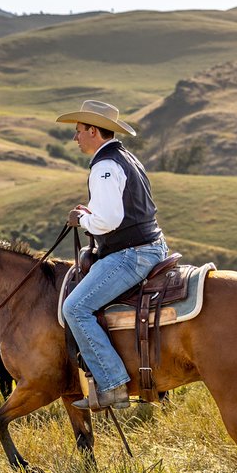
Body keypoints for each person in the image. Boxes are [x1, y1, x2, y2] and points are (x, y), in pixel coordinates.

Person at [56, 100, 169, 410]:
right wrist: (92, 213)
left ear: (93, 131)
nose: (76, 138)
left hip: (131, 254)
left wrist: (82, 220)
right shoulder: (126, 158)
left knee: (75, 308)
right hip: (151, 246)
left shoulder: (104, 166)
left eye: (78, 131)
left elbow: (109, 221)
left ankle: (113, 384)